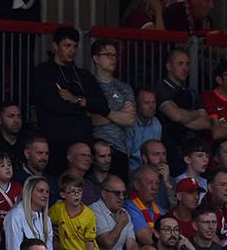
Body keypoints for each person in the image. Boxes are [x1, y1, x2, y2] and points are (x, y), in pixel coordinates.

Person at [32, 26, 108, 175]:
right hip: (56, 141)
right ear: (55, 46)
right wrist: (86, 112)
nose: (72, 50)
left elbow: (103, 105)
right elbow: (53, 105)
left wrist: (77, 100)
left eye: (75, 46)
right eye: (67, 45)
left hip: (82, 140)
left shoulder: (82, 75)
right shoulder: (43, 72)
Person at [88, 40, 135, 179]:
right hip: (95, 150)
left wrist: (104, 112)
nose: (113, 59)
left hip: (120, 150)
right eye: (108, 55)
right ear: (96, 58)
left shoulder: (124, 87)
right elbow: (91, 119)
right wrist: (119, 115)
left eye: (115, 55)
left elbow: (130, 119)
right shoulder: (89, 85)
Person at [5, 176, 54, 250]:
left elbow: (49, 248)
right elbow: (13, 247)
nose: (45, 195)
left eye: (47, 192)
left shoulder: (46, 220)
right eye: (41, 191)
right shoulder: (15, 216)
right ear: (29, 192)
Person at [49, 176, 97, 250]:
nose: (77, 194)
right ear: (63, 195)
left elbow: (89, 242)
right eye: (72, 192)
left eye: (79, 191)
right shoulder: (58, 209)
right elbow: (46, 221)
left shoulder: (89, 215)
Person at [125, 166, 165, 248]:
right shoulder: (129, 206)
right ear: (137, 185)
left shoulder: (160, 210)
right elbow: (148, 238)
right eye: (150, 182)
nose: (155, 187)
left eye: (157, 183)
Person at [90, 177, 135, 250]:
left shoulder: (123, 212)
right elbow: (108, 243)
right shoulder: (94, 210)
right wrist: (120, 224)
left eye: (124, 193)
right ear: (104, 194)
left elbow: (132, 244)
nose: (122, 197)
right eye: (117, 193)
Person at [126, 89, 162, 174]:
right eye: (146, 103)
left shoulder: (156, 123)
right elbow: (125, 156)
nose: (151, 106)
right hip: (131, 171)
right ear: (136, 105)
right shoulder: (129, 123)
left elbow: (156, 153)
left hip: (151, 171)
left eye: (154, 102)